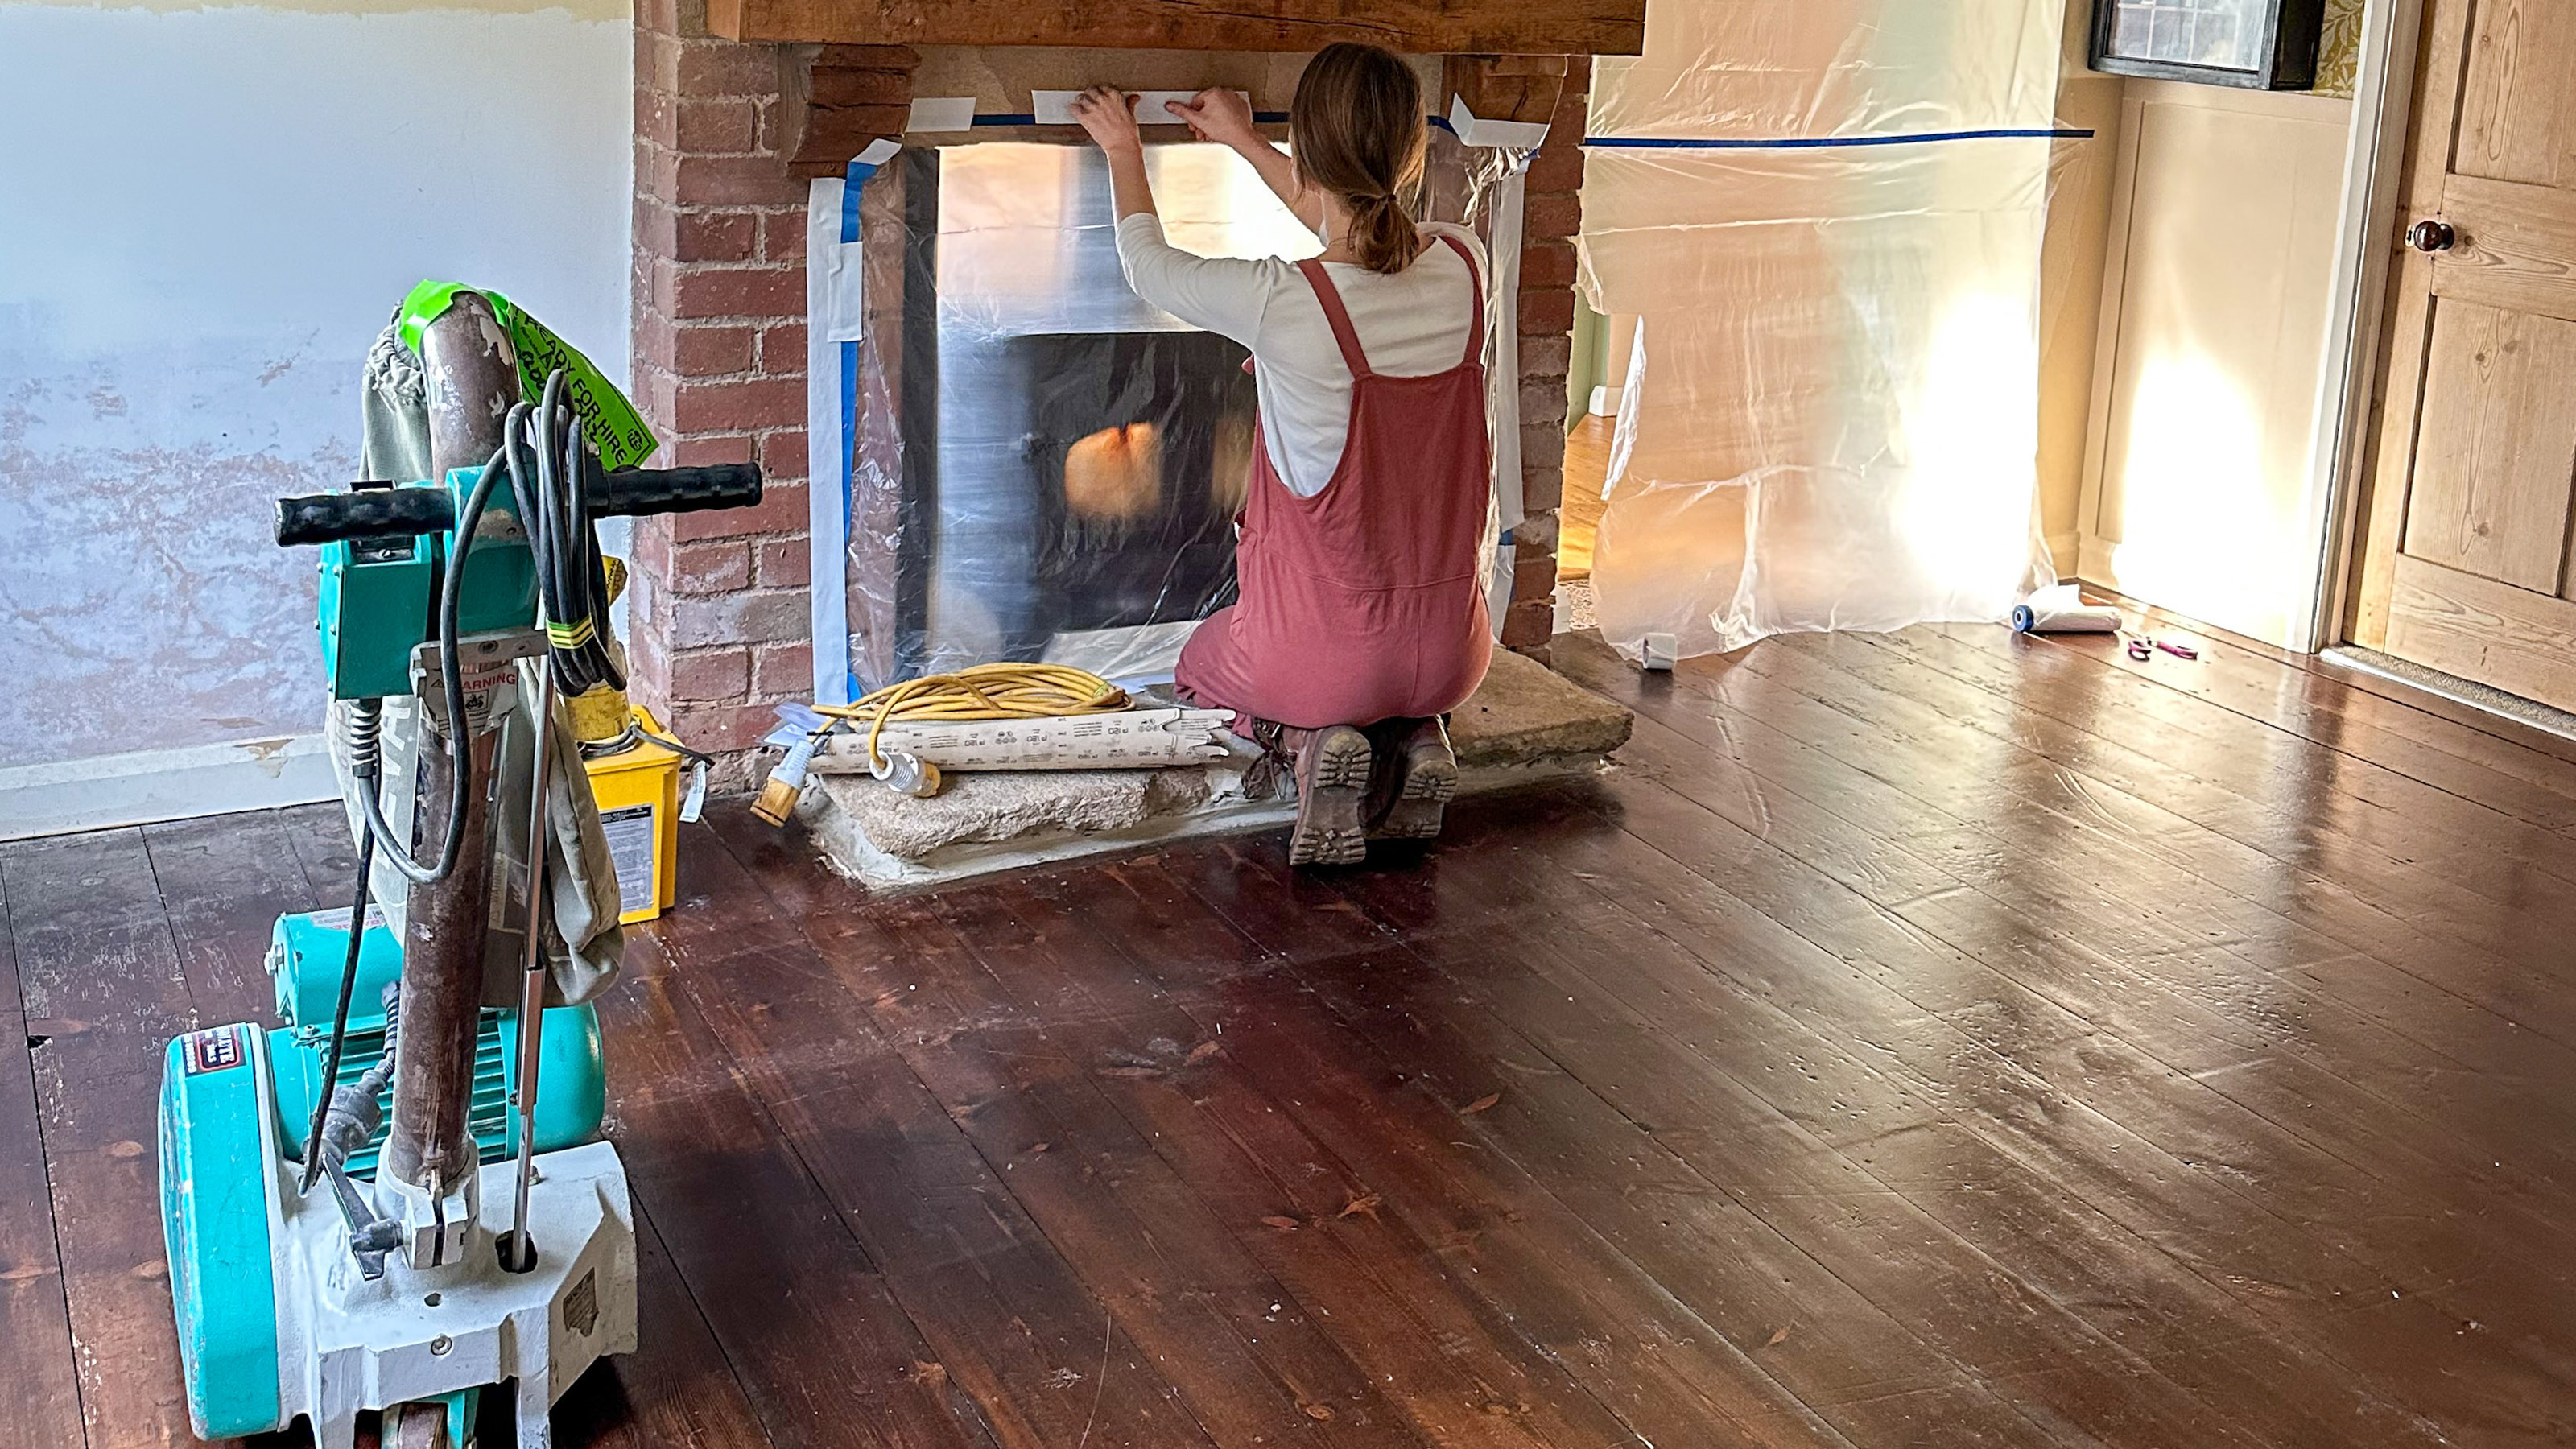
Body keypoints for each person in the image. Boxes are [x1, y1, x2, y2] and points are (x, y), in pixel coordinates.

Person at [1069, 44, 1495, 867]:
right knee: (1392, 676)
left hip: (1321, 663)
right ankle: (1415, 735)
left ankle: (1308, 745)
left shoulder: (1282, 299)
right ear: (1412, 150)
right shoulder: (1466, 264)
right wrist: (1240, 139)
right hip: (1453, 654)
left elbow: (1147, 266)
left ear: (1306, 145)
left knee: (1197, 662)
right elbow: (1351, 220)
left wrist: (1122, 148)